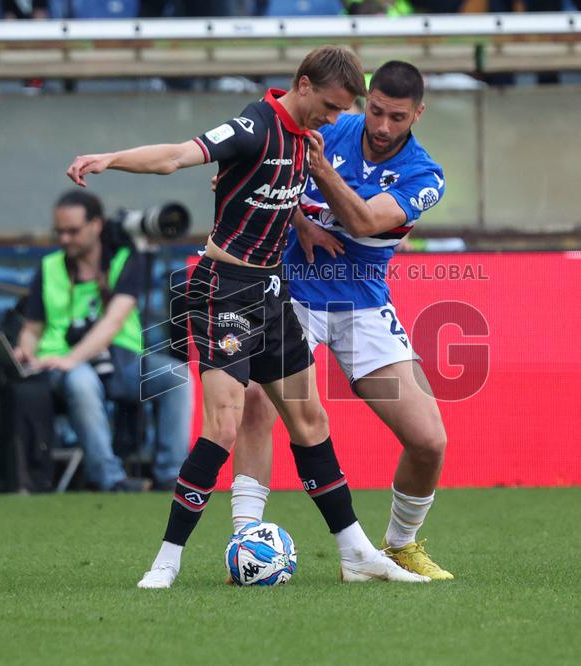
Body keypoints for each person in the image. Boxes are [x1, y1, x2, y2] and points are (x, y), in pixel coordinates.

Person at [67, 45, 429, 589]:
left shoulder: (309, 138)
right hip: (223, 290)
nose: (337, 119)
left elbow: (288, 197)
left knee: (310, 422)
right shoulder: (254, 125)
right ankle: (166, 560)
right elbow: (175, 156)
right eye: (331, 106)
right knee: (225, 423)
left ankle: (355, 554)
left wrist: (302, 224)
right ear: (303, 86)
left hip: (272, 288)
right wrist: (109, 158)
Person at [229, 61, 454, 580]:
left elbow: (366, 221)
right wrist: (301, 221)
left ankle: (398, 546)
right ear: (365, 100)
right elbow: (259, 178)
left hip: (362, 304)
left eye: (397, 117)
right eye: (374, 110)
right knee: (257, 400)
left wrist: (323, 172)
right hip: (294, 291)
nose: (381, 126)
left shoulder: (426, 175)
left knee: (429, 441)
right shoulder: (333, 123)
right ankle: (245, 540)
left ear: (417, 114)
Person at [13, 190, 157, 493]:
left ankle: (174, 477)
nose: (64, 239)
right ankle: (110, 479)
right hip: (59, 365)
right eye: (59, 231)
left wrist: (73, 358)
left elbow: (113, 322)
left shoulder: (125, 259)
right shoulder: (49, 267)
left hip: (122, 360)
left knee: (178, 378)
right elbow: (32, 328)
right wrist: (24, 351)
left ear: (96, 225)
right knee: (81, 380)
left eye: (73, 231)